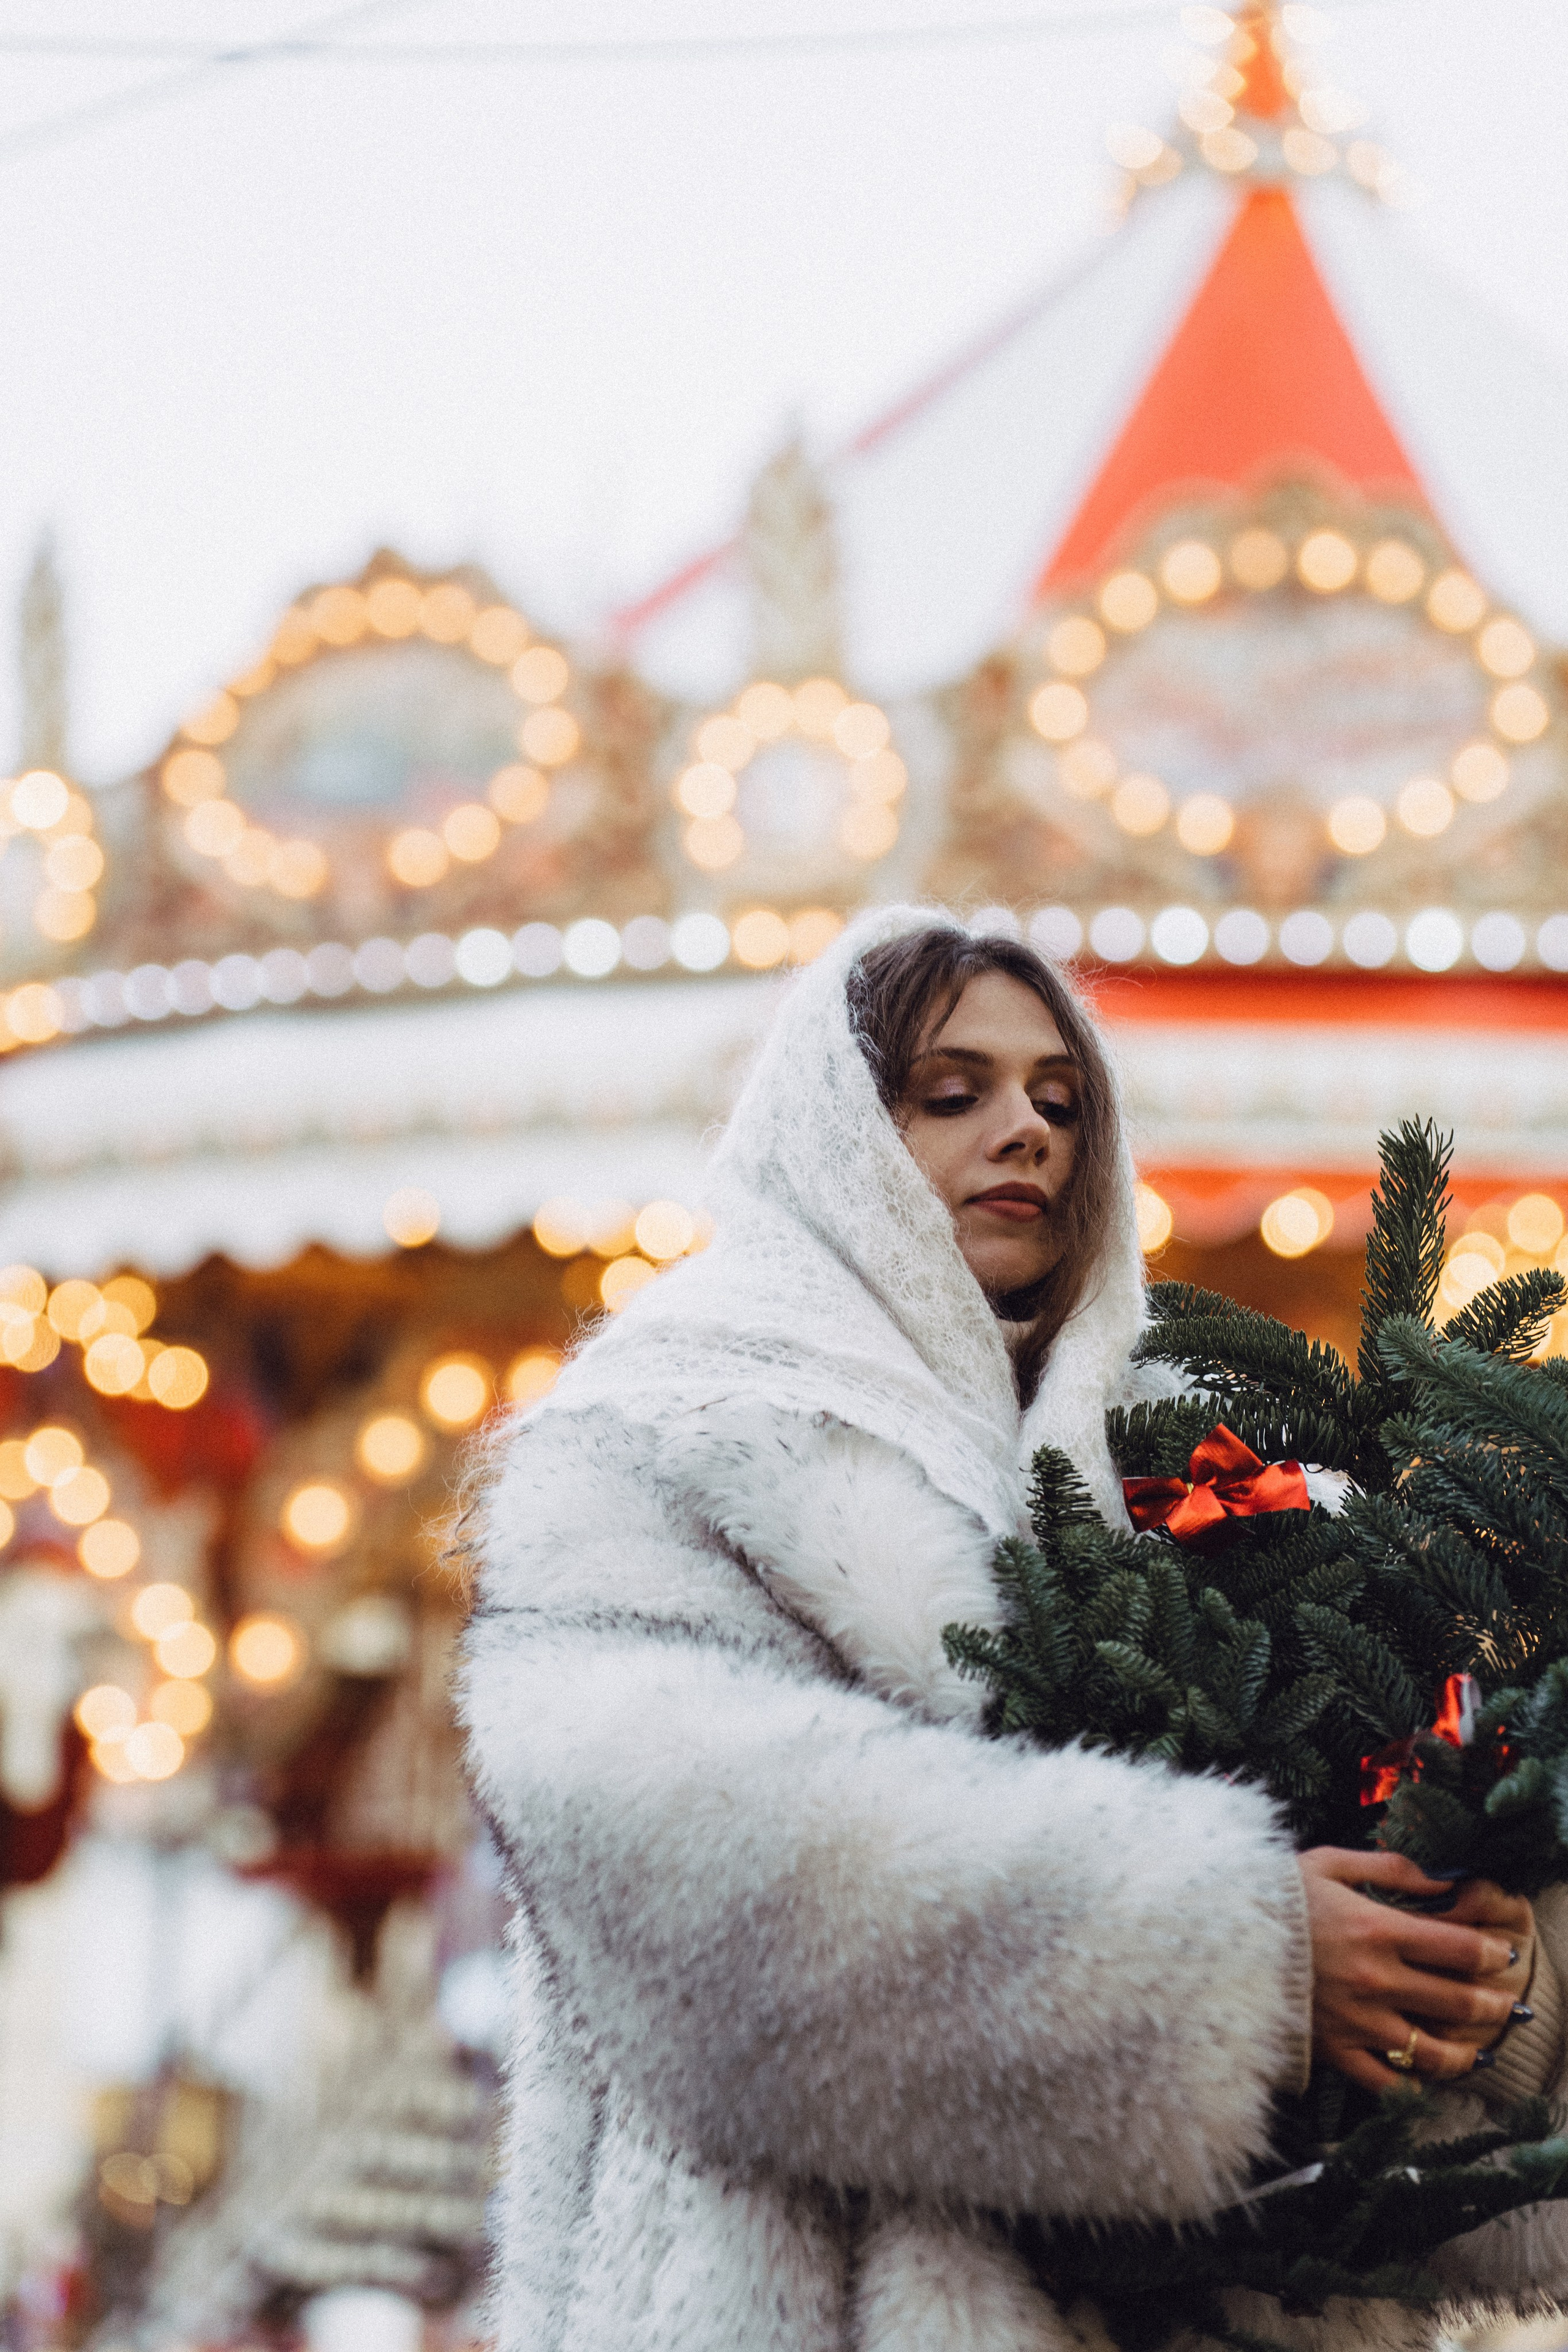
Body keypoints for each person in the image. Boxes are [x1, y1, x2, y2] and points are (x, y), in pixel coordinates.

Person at [460, 905, 1568, 2352]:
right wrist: (1230, 1955)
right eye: (950, 1092)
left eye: (1059, 1098)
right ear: (835, 1132)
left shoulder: (1197, 1458)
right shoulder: (661, 1433)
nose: (1025, 1130)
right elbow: (679, 1851)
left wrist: (1483, 1981)